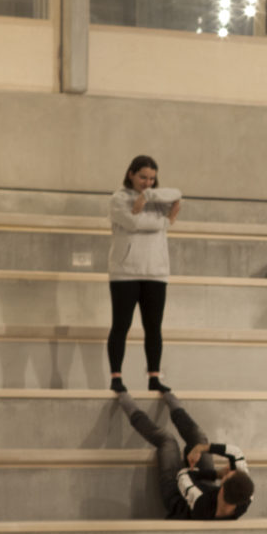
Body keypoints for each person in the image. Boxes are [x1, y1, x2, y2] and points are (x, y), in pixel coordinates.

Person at [119, 386, 256, 521]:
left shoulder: (200, 505)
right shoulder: (245, 498)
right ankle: (168, 395)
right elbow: (236, 453)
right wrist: (201, 448)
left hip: (177, 495)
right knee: (199, 438)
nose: (227, 472)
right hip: (205, 487)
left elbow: (183, 475)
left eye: (226, 476)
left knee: (167, 440)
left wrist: (216, 474)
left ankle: (124, 399)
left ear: (221, 490)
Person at [107, 155, 181, 394]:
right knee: (121, 325)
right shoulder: (118, 199)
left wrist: (148, 197)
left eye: (152, 178)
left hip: (156, 272)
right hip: (125, 272)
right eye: (143, 177)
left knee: (153, 327)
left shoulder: (154, 197)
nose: (148, 182)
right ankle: (116, 376)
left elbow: (178, 194)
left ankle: (154, 377)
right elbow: (134, 223)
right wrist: (165, 222)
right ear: (131, 174)